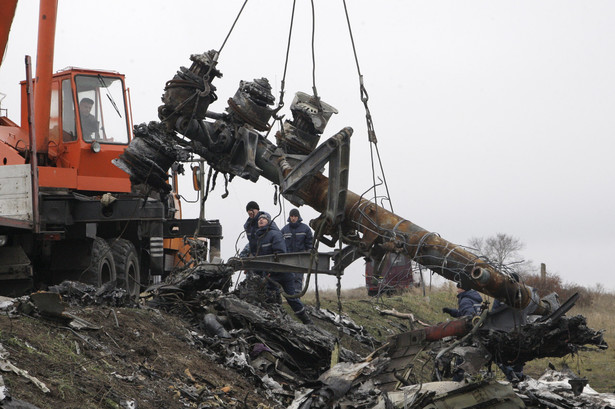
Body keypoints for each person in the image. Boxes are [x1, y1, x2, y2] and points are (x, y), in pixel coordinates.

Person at [253, 213, 312, 325]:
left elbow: (280, 254)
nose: (260, 220)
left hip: (282, 274)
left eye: (263, 219)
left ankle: (307, 321)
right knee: (271, 297)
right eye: (259, 219)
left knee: (292, 298)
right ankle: (279, 321)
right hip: (271, 274)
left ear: (269, 221)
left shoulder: (275, 234)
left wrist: (271, 270)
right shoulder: (259, 237)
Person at [442, 282, 483, 382]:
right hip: (478, 332)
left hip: (468, 334)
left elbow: (467, 317)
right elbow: (465, 312)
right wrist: (451, 311)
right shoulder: (474, 298)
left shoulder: (465, 300)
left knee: (461, 356)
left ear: (463, 289)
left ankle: (456, 381)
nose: (457, 290)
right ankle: (472, 377)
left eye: (458, 288)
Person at [281, 208, 313, 292]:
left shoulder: (306, 229)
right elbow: (280, 243)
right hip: (288, 257)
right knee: (288, 276)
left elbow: (310, 243)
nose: (293, 218)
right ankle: (290, 295)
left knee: (298, 276)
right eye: (291, 216)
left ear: (298, 217)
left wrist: (308, 253)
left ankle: (297, 295)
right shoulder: (284, 229)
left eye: (295, 216)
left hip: (300, 257)